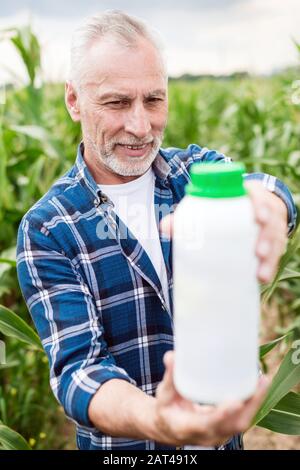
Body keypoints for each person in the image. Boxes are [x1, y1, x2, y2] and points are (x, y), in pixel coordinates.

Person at [16, 10, 297, 451]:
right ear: (74, 100)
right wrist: (158, 422)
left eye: (153, 100)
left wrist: (273, 204)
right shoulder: (49, 228)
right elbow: (79, 372)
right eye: (116, 103)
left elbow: (262, 187)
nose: (141, 127)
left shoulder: (192, 175)